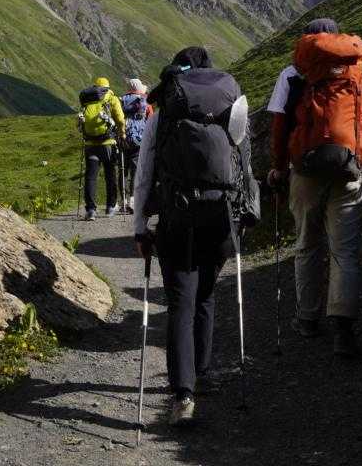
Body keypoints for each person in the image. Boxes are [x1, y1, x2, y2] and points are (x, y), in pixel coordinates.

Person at [130, 47, 259, 426]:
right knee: (205, 295)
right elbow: (245, 163)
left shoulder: (165, 111)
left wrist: (139, 227)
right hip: (221, 216)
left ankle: (183, 394)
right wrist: (246, 212)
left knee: (181, 302)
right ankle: (202, 373)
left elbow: (144, 172)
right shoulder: (231, 105)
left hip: (178, 217)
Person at [265, 17, 362, 358]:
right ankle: (343, 329)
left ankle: (307, 319)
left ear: (307, 43)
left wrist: (278, 167)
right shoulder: (356, 72)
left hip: (305, 170)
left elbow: (279, 124)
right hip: (348, 167)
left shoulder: (292, 73)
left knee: (307, 244)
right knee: (344, 250)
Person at [76, 76, 126, 220]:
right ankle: (110, 207)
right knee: (110, 175)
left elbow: (79, 121)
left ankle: (91, 210)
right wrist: (122, 133)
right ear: (107, 87)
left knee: (91, 176)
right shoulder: (112, 99)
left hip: (90, 144)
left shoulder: (87, 100)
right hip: (108, 144)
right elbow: (120, 119)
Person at [116, 79, 150, 214]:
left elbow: (115, 118)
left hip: (123, 139)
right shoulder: (144, 101)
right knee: (135, 171)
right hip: (139, 141)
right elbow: (150, 120)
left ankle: (123, 202)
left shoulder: (120, 101)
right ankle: (132, 201)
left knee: (123, 170)